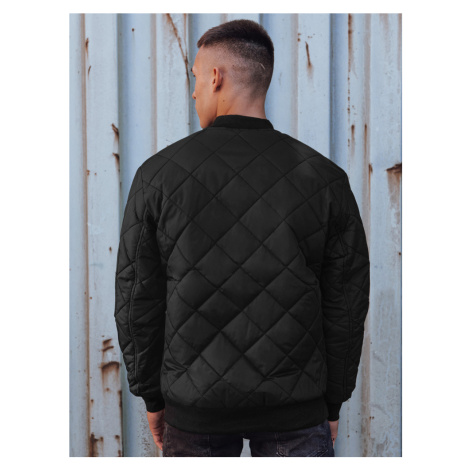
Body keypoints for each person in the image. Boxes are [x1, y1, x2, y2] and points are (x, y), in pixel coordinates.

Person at [114, 18, 370, 458]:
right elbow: (346, 302)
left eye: (196, 78)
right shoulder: (324, 178)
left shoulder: (158, 176)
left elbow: (138, 298)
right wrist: (333, 400)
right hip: (296, 410)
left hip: (194, 412)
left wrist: (151, 395)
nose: (194, 92)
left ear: (216, 77)